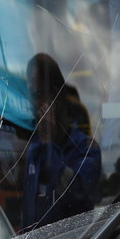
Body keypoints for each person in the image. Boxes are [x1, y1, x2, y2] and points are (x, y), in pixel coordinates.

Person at [21, 54, 101, 229]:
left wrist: (49, 144)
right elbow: (28, 213)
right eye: (31, 97)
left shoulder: (87, 150)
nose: (34, 104)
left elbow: (73, 195)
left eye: (38, 95)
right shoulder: (34, 150)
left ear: (55, 96)